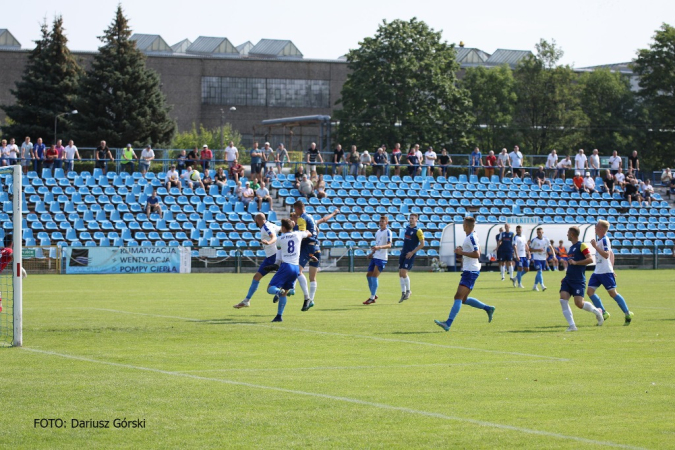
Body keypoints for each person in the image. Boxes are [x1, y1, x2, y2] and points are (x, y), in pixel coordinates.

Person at [434, 217, 495, 332]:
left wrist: (461, 252)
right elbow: (478, 251)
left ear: (466, 226)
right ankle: (488, 308)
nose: (462, 225)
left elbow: (477, 254)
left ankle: (448, 323)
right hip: (470, 270)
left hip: (470, 271)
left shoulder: (471, 237)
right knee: (463, 299)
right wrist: (462, 252)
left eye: (463, 224)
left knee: (458, 297)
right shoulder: (473, 236)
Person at [292, 201, 339, 311]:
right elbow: (324, 220)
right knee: (312, 277)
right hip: (316, 248)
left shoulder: (302, 219)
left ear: (297, 209)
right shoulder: (311, 218)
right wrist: (334, 213)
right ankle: (311, 300)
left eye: (295, 210)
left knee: (297, 271)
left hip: (308, 246)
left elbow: (302, 234)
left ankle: (295, 289)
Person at [587, 220, 634, 325]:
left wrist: (595, 247)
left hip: (605, 272)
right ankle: (603, 313)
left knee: (613, 294)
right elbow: (612, 254)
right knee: (590, 292)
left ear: (602, 229)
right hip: (597, 272)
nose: (595, 228)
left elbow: (607, 255)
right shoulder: (600, 240)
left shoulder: (604, 240)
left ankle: (627, 313)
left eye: (597, 226)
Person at [558, 226, 604, 331]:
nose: (567, 235)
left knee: (579, 303)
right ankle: (572, 326)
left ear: (572, 234)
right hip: (568, 279)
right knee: (563, 300)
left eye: (568, 233)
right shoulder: (571, 248)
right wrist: (565, 276)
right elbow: (571, 265)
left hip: (578, 280)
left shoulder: (582, 245)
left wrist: (576, 262)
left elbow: (590, 259)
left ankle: (597, 311)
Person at [266, 219, 312, 322]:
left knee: (270, 288)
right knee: (284, 293)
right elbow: (309, 233)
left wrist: (274, 265)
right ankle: (279, 316)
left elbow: (278, 257)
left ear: (283, 228)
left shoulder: (279, 239)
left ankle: (278, 291)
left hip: (286, 266)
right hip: (296, 268)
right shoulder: (298, 234)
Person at [233, 213, 281, 309]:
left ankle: (282, 291)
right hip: (271, 257)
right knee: (257, 277)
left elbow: (274, 237)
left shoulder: (266, 227)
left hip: (273, 257)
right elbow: (280, 229)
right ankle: (246, 301)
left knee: (262, 278)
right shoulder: (270, 224)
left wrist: (269, 242)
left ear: (257, 220)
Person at [363, 215, 393, 305]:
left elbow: (389, 245)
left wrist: (379, 247)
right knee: (368, 275)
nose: (381, 223)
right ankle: (374, 293)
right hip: (375, 256)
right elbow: (377, 244)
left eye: (383, 221)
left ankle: (372, 298)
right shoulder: (378, 232)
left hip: (381, 258)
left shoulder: (388, 232)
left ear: (386, 223)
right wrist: (371, 254)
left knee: (374, 276)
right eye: (380, 221)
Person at [398, 213, 425, 303]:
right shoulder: (407, 228)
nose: (411, 220)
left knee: (404, 272)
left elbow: (422, 244)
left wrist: (412, 252)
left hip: (410, 254)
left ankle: (409, 291)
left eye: (413, 218)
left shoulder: (418, 231)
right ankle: (403, 292)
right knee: (400, 273)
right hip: (404, 253)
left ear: (416, 219)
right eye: (410, 218)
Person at [529, 227, 554, 291]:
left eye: (540, 232)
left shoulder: (546, 239)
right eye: (538, 232)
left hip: (543, 258)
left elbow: (550, 247)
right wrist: (538, 250)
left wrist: (554, 255)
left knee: (539, 272)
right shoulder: (534, 240)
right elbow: (530, 249)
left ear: (542, 232)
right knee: (539, 271)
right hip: (537, 258)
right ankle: (542, 285)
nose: (539, 233)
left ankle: (534, 286)